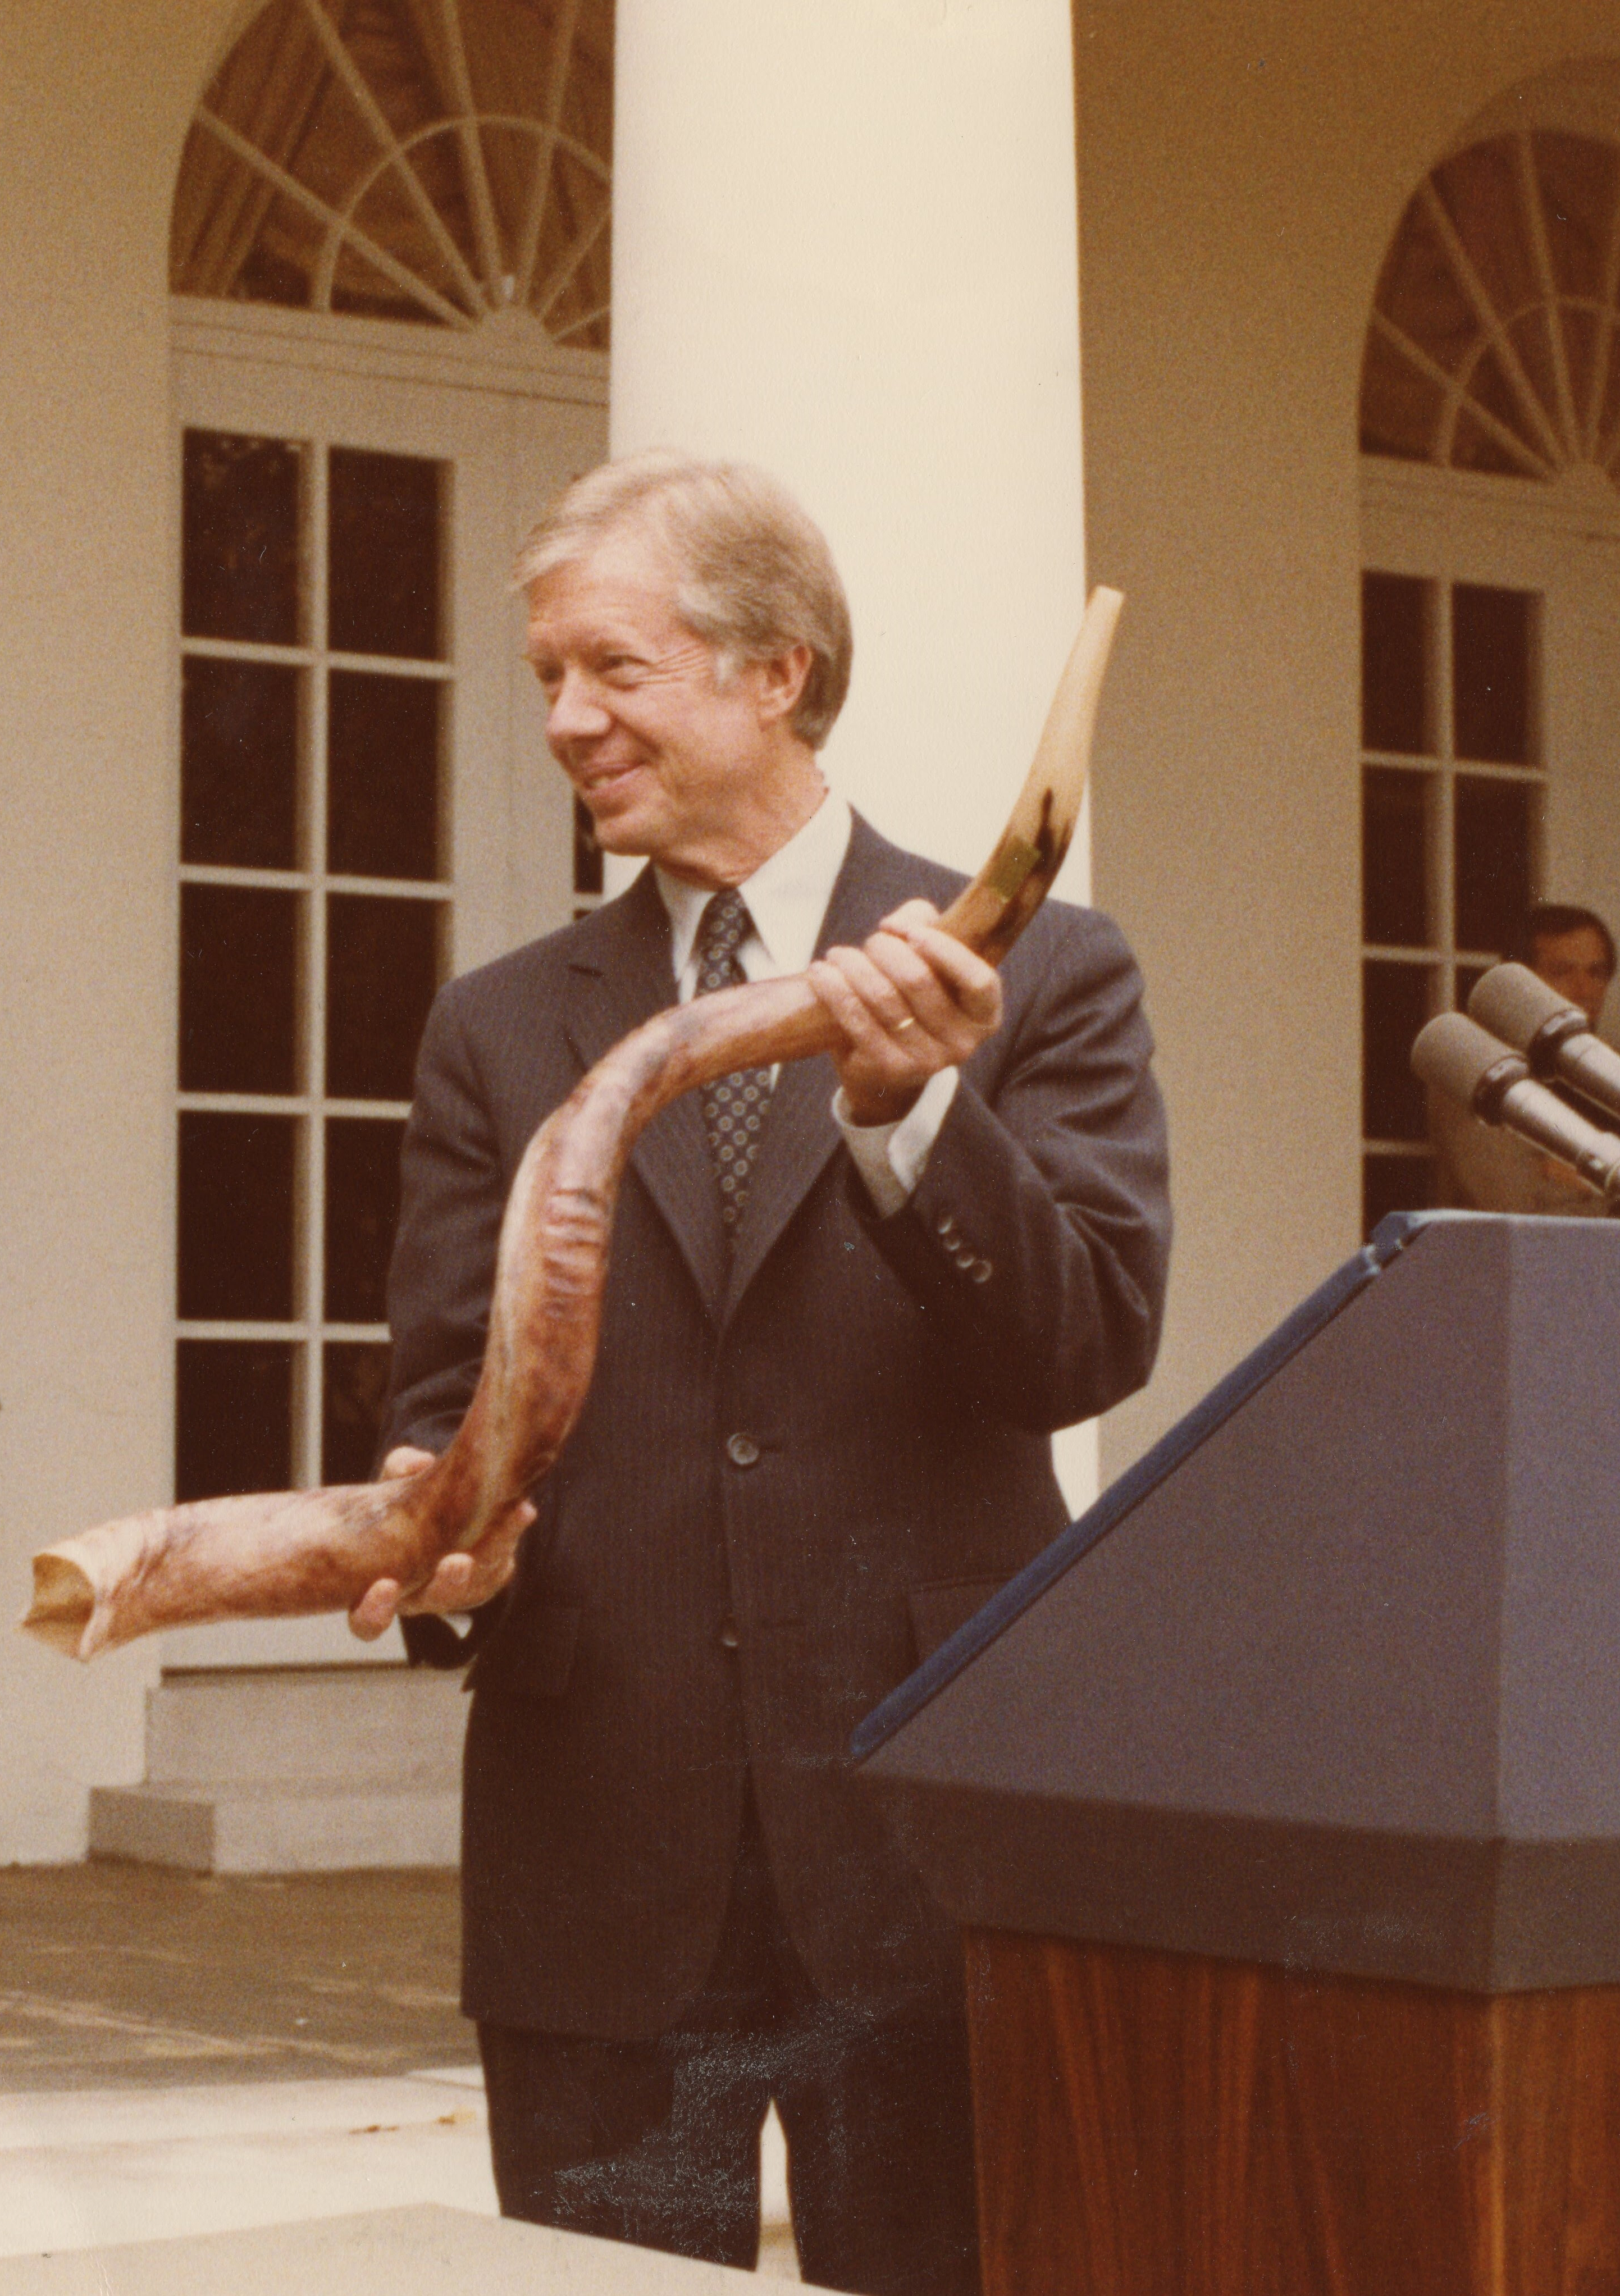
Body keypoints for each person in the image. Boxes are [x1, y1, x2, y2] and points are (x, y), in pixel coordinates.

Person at [360, 455, 1171, 2295]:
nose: (565, 718)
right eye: (546, 676)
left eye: (610, 670)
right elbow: (429, 1393)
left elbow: (1083, 1342)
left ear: (772, 674)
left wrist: (909, 1117)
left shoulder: (1030, 968)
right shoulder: (494, 1023)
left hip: (917, 1840)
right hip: (591, 1848)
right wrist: (438, 1540)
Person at [1429, 902, 1620, 1215]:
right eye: (1562, 972)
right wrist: (1619, 1182)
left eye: (1596, 973)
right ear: (1517, 984)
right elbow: (1513, 1206)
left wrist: (1578, 1179)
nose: (1584, 989)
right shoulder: (1477, 1073)